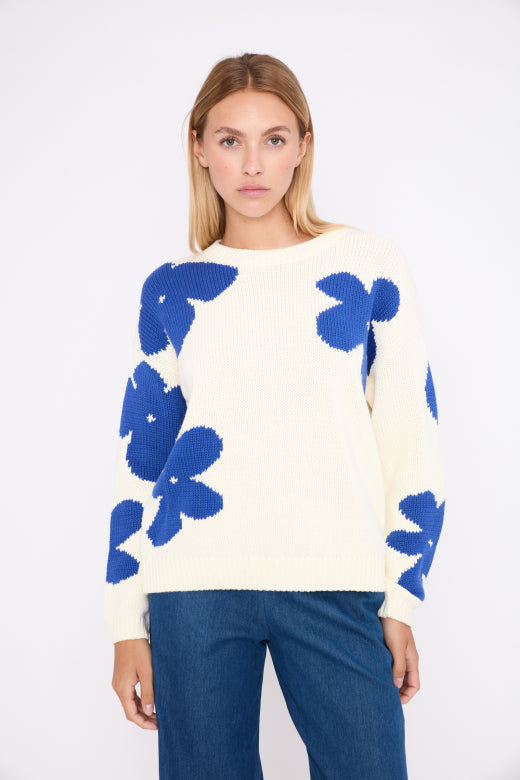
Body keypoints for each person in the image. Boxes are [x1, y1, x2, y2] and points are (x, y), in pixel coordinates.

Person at [103, 52, 446, 780]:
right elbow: (141, 458)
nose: (253, 164)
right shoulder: (171, 290)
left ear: (303, 146)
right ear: (200, 148)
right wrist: (125, 624)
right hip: (193, 584)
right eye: (230, 140)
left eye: (274, 139)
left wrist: (402, 600)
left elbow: (411, 438)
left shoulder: (369, 267)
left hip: (336, 577)